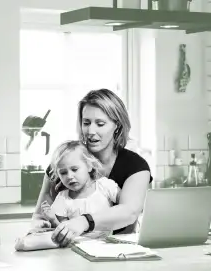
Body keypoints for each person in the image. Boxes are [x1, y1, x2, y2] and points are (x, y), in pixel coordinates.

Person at [32, 88, 153, 246]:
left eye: (100, 124)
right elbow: (39, 216)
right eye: (86, 123)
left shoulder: (135, 166)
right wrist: (41, 224)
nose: (90, 131)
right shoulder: (64, 162)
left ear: (117, 126)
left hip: (120, 252)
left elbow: (129, 212)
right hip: (70, 252)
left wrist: (84, 221)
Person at [40, 140, 120, 238]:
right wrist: (52, 219)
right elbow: (63, 231)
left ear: (89, 166)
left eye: (74, 169)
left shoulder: (104, 186)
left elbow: (126, 207)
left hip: (108, 244)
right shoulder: (63, 199)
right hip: (77, 246)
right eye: (63, 173)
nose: (69, 176)